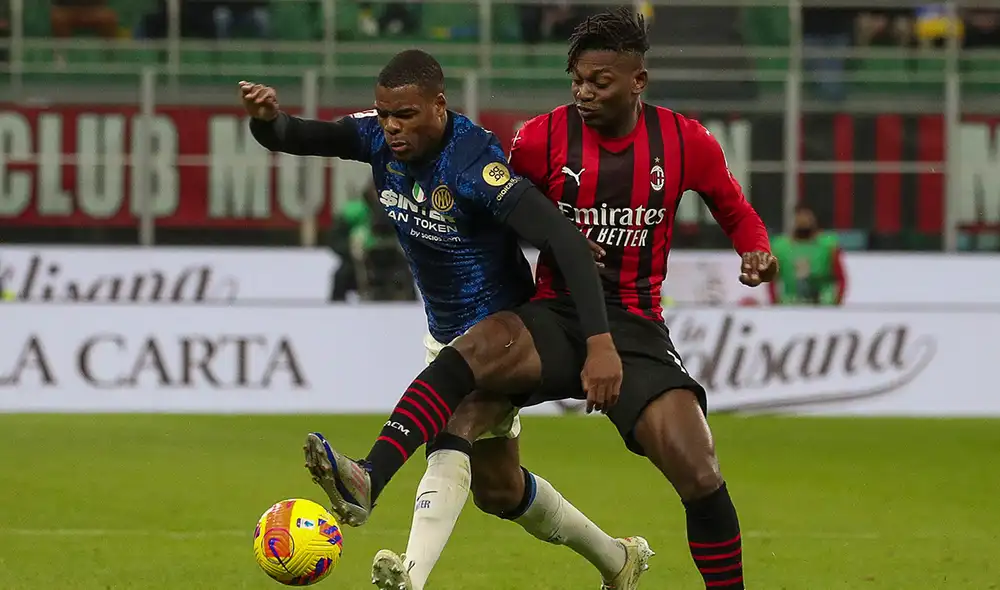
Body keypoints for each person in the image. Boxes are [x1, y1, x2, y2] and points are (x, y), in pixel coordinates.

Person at [347, 9, 778, 590]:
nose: (584, 92)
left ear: (637, 82)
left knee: (698, 470)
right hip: (553, 313)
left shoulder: (685, 141)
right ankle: (380, 498)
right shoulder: (539, 138)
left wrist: (754, 249)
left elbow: (734, 208)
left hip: (634, 325)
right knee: (467, 378)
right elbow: (506, 217)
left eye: (599, 81)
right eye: (576, 79)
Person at [242, 49, 647, 589]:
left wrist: (600, 343)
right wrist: (268, 120)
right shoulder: (376, 138)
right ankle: (618, 561)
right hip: (445, 332)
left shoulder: (473, 161)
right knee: (499, 489)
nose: (391, 127)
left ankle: (399, 549)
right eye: (384, 114)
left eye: (405, 115)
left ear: (439, 105)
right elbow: (299, 136)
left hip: (507, 333)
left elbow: (560, 238)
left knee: (453, 424)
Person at [769, 205, 847, 305]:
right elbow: (772, 279)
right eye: (800, 218)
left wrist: (836, 302)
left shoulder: (827, 245)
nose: (803, 221)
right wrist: (775, 303)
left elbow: (840, 277)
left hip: (823, 305)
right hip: (790, 305)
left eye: (807, 218)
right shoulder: (781, 247)